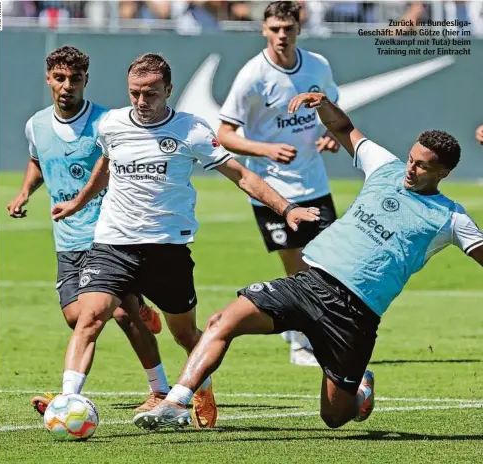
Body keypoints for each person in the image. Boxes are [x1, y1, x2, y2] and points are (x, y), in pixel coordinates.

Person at [133, 91, 483, 431]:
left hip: (355, 315)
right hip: (310, 283)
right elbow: (345, 129)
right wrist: (325, 106)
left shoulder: (450, 218)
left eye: (423, 166)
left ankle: (360, 386)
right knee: (222, 320)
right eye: (411, 158)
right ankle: (175, 402)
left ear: (443, 173)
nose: (411, 168)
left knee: (334, 417)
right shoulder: (385, 167)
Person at [49, 53, 320, 429]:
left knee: (184, 334)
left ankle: (201, 386)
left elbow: (240, 175)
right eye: (135, 93)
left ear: (168, 90)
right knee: (91, 317)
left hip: (167, 252)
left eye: (151, 94)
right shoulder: (111, 124)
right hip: (112, 244)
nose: (142, 103)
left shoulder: (191, 130)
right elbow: (107, 165)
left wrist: (286, 207)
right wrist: (79, 202)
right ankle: (67, 399)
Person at [7, 46, 167, 416]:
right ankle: (140, 307)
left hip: (109, 234)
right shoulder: (37, 125)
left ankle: (156, 390)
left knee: (117, 314)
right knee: (76, 316)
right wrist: (24, 192)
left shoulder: (107, 122)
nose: (67, 86)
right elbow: (37, 161)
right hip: (67, 239)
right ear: (48, 79)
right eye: (60, 78)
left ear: (85, 81)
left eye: (75, 79)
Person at [217, 1, 340, 366]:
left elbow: (330, 106)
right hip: (272, 189)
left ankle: (296, 326)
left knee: (327, 263)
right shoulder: (253, 75)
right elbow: (224, 134)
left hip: (314, 181)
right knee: (298, 266)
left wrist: (332, 134)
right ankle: (301, 344)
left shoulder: (317, 65)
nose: (281, 35)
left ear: (299, 28)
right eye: (274, 29)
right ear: (264, 30)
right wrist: (265, 148)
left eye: (287, 28)